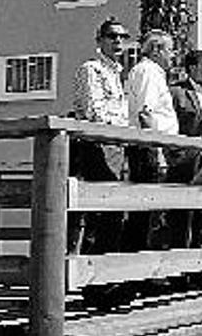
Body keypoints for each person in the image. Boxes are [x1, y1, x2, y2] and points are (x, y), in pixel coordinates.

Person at [68, 18, 130, 255]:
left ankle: (106, 279)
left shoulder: (117, 74)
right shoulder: (91, 69)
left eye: (122, 37)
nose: (117, 41)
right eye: (112, 36)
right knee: (98, 212)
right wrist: (123, 129)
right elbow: (94, 113)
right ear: (99, 40)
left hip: (116, 147)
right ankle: (93, 283)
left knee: (114, 213)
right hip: (96, 146)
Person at [124, 29, 179, 252]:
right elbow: (145, 113)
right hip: (148, 149)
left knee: (150, 213)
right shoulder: (148, 72)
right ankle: (137, 275)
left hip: (150, 148)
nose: (173, 56)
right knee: (146, 213)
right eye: (170, 50)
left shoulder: (150, 72)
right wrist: (157, 150)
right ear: (157, 50)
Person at [167, 50, 202, 252]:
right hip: (187, 161)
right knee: (182, 216)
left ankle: (200, 268)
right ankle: (179, 273)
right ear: (191, 68)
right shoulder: (176, 92)